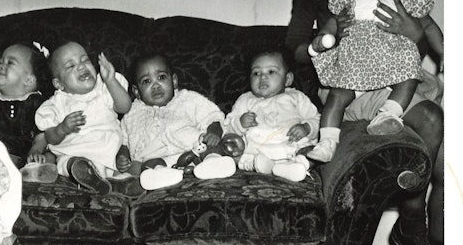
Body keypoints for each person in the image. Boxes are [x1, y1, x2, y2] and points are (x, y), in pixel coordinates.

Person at [285, 0, 443, 245]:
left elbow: (422, 32)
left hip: (394, 77)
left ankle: (415, 227)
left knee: (436, 130)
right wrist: (329, 36)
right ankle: (414, 224)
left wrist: (416, 34)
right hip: (348, 78)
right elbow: (295, 51)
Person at [307, 0, 443, 164]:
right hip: (354, 67)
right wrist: (323, 37)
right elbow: (334, 22)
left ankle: (389, 113)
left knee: (409, 76)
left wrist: (445, 51)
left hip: (391, 69)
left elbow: (428, 26)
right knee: (336, 96)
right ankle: (327, 141)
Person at [34, 41, 142, 197]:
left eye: (85, 60)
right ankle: (87, 175)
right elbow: (50, 137)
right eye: (70, 66)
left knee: (119, 168)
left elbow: (124, 107)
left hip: (108, 153)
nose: (81, 66)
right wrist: (62, 128)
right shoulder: (56, 103)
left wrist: (111, 80)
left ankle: (114, 184)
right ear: (59, 83)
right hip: (75, 154)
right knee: (70, 163)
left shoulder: (104, 88)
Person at [117, 52, 225, 188]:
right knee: (148, 166)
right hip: (160, 160)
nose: (155, 86)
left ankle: (214, 163)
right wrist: (122, 155)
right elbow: (124, 140)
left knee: (211, 146)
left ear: (174, 81)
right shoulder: (132, 112)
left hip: (193, 150)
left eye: (161, 77)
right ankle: (161, 176)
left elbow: (213, 116)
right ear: (137, 91)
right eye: (146, 81)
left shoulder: (187, 99)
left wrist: (214, 131)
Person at [225, 49, 320, 182]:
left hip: (292, 149)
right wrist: (239, 123)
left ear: (287, 79)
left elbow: (318, 119)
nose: (262, 77)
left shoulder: (296, 97)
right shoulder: (245, 100)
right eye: (256, 73)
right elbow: (227, 128)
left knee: (315, 151)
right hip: (257, 152)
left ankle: (297, 165)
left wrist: (307, 128)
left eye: (271, 72)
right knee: (231, 149)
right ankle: (255, 165)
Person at [0, 42, 51, 168]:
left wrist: (36, 150)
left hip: (25, 157)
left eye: (10, 63)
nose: (1, 66)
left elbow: (41, 135)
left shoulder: (36, 103)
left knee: (47, 158)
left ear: (29, 80)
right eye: (0, 62)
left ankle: (34, 171)